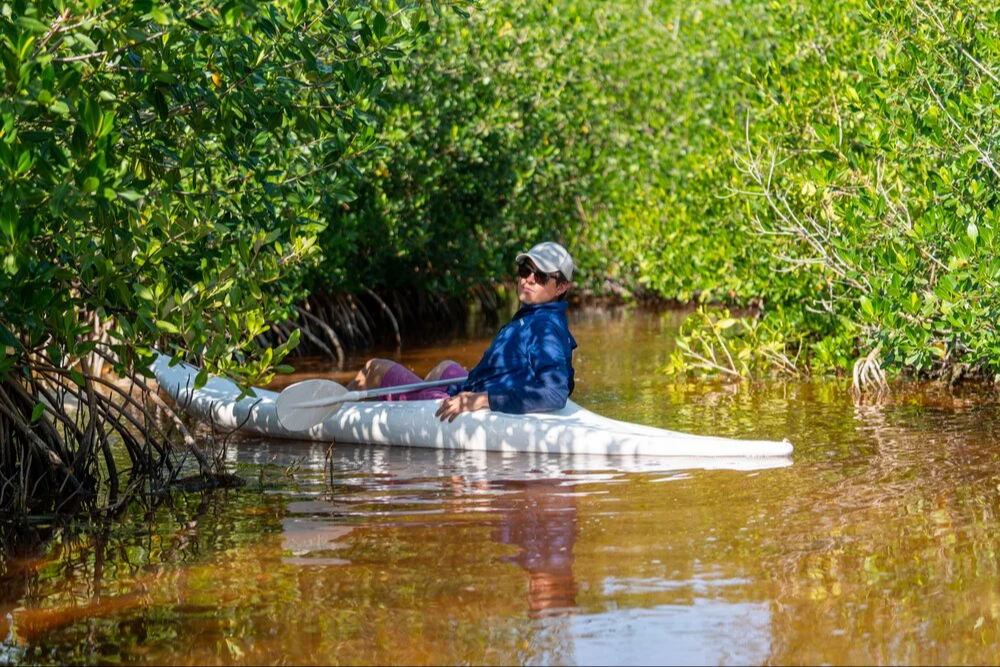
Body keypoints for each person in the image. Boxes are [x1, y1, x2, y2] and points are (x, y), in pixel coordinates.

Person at [346, 241, 578, 422]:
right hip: (477, 390)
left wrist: (480, 400)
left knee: (374, 368)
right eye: (525, 270)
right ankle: (398, 408)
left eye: (541, 276)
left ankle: (332, 416)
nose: (528, 280)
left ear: (561, 286)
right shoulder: (541, 317)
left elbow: (556, 392)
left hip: (471, 404)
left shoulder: (543, 326)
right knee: (446, 367)